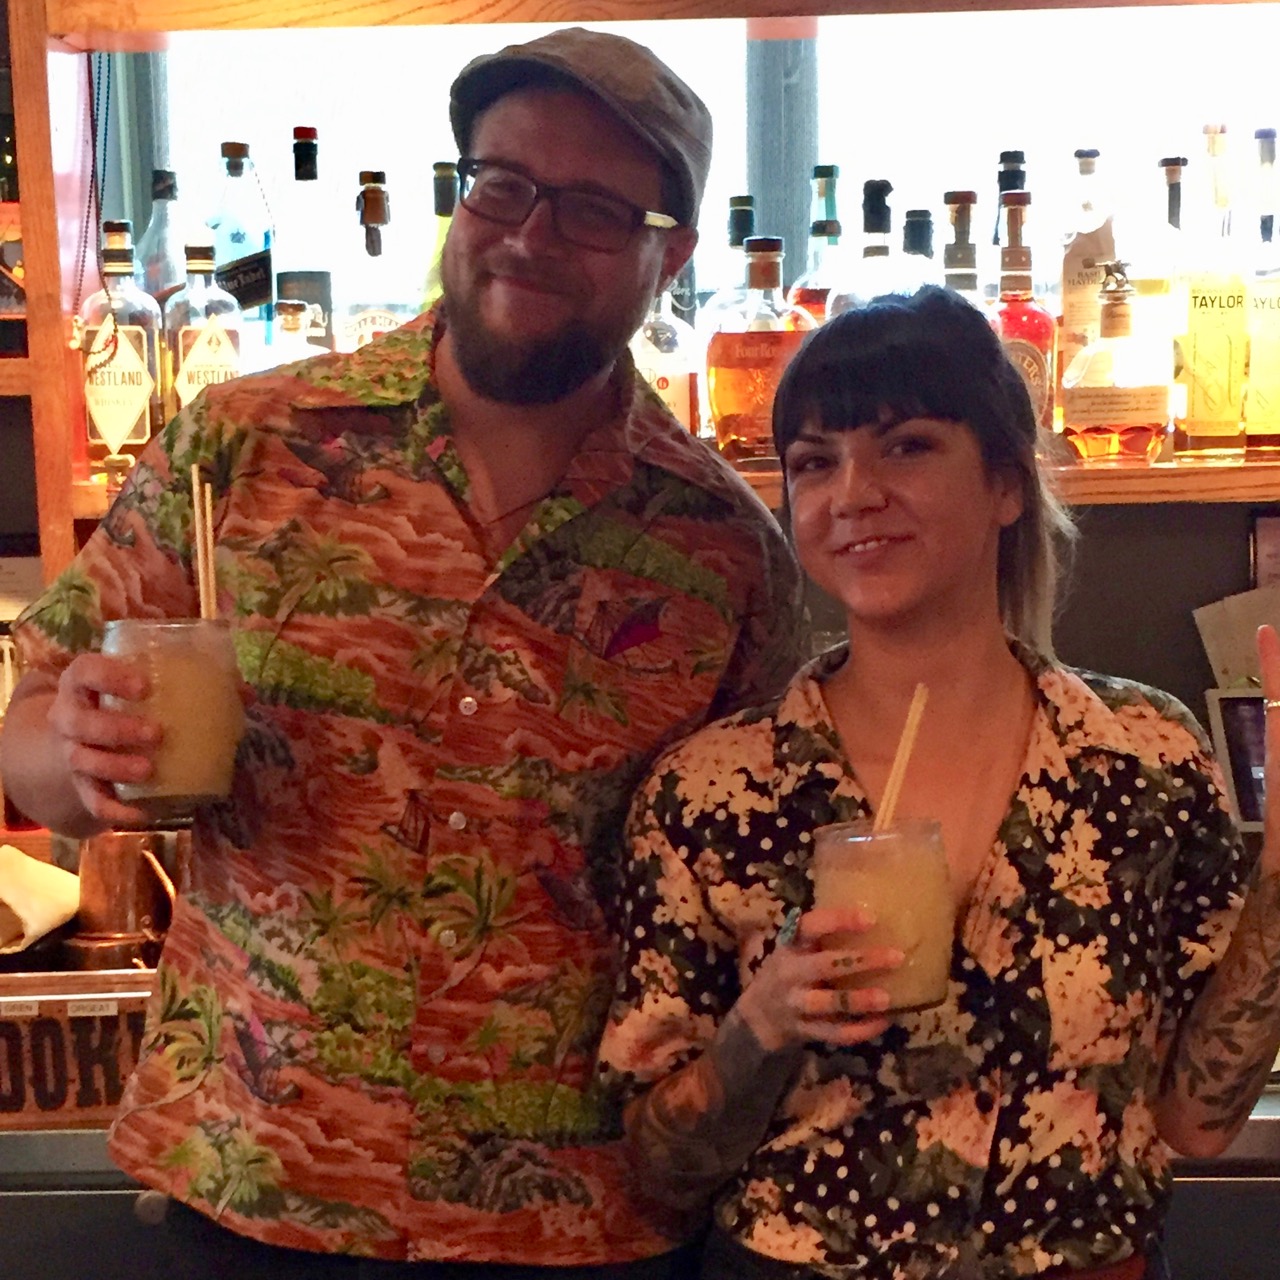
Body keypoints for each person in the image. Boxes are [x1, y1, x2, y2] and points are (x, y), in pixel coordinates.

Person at [0, 27, 803, 1277]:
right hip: (259, 1184)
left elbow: (745, 885)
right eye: (501, 183)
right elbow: (33, 732)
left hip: (575, 1220)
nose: (531, 234)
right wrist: (71, 754)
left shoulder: (724, 548)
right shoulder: (243, 445)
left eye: (594, 209)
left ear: (673, 253)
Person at [598, 285, 1280, 1280]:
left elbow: (1196, 1119)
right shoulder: (713, 793)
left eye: (906, 446)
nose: (853, 492)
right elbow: (658, 1169)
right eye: (814, 462)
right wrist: (761, 1026)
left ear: (1006, 484)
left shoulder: (1144, 758)